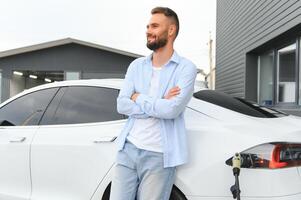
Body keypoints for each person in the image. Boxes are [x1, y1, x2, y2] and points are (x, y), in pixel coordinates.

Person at [110, 6, 197, 200]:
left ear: (171, 30)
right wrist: (159, 102)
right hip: (128, 148)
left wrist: (138, 97)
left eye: (155, 26)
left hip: (159, 155)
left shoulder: (186, 69)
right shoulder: (136, 66)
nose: (148, 30)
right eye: (148, 26)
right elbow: (121, 105)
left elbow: (172, 109)